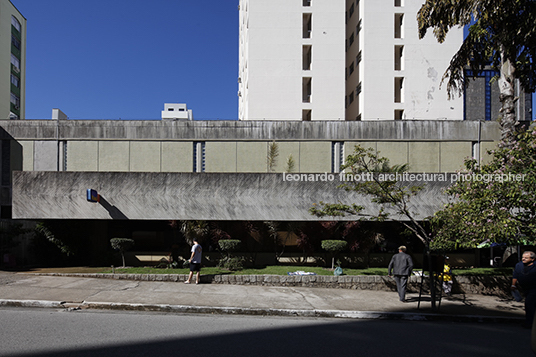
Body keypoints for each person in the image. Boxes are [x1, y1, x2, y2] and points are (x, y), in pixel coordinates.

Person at [512, 251, 536, 328]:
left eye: (526, 258)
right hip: (525, 288)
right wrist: (513, 285)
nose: (523, 259)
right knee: (530, 305)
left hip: (534, 288)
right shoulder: (519, 265)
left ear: (532, 259)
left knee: (529, 304)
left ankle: (530, 323)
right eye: (523, 257)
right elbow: (515, 275)